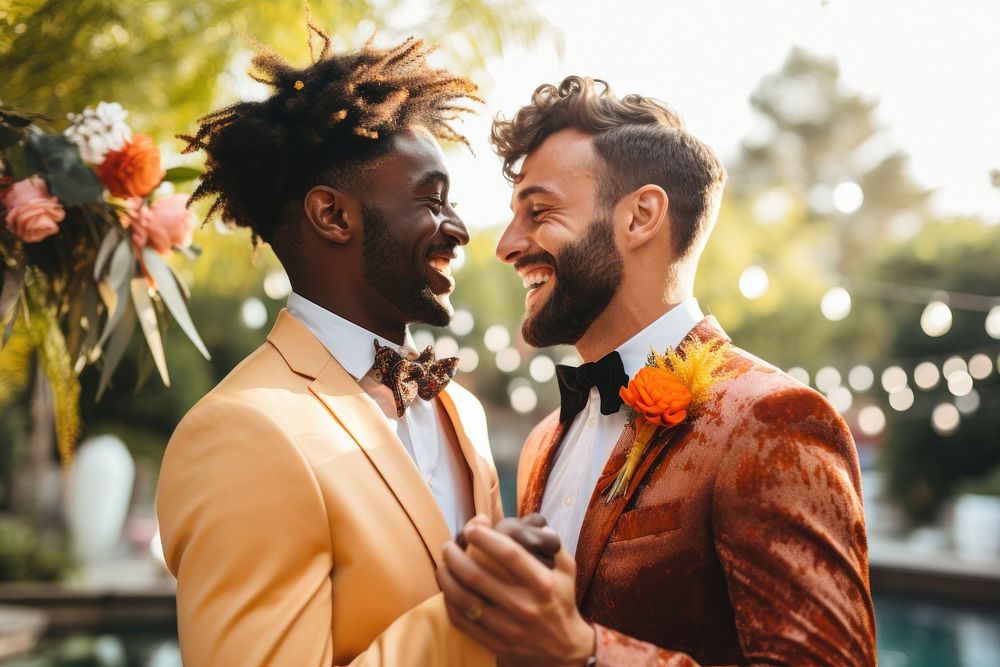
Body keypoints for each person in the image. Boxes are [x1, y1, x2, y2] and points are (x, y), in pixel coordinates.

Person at [437, 76, 877, 666]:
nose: (507, 245)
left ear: (641, 216)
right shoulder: (546, 439)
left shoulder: (773, 420)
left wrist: (585, 652)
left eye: (538, 212)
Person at [156, 24, 508, 666]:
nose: (457, 229)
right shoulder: (243, 432)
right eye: (433, 200)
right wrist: (482, 608)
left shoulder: (466, 413)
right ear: (334, 216)